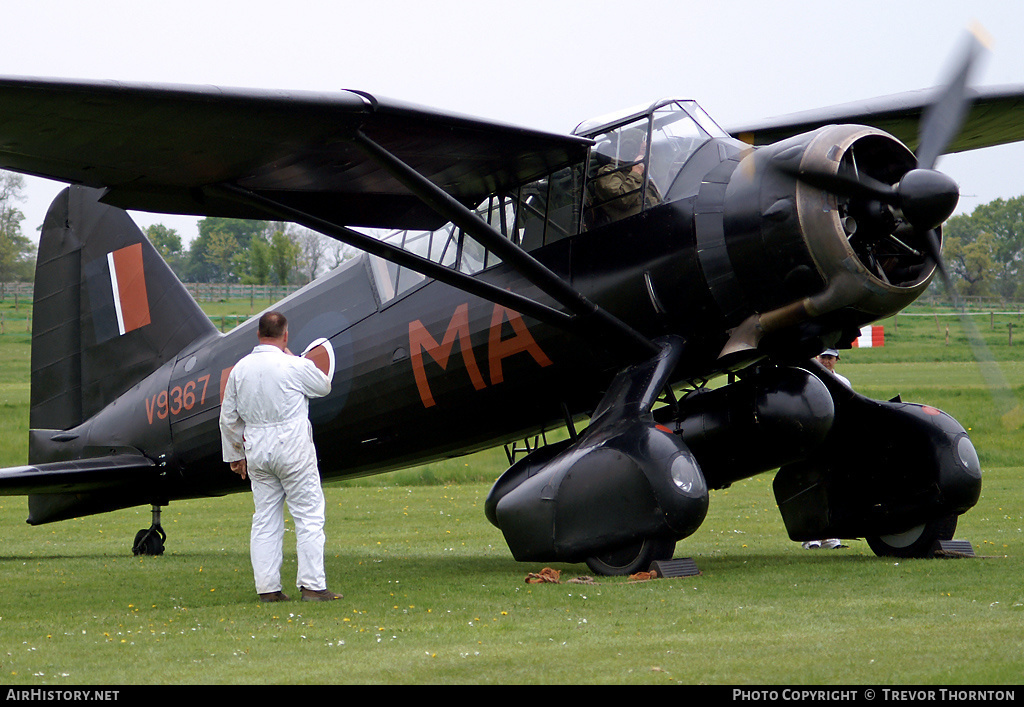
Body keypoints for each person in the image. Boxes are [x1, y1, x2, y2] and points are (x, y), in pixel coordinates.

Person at [219, 311, 341, 602]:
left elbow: (228, 418)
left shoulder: (240, 370)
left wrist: (236, 454)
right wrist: (295, 355)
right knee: (309, 514)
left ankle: (268, 589)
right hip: (293, 446)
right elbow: (323, 386)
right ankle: (312, 585)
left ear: (258, 334)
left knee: (265, 519)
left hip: (257, 448)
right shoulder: (293, 364)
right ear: (285, 335)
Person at [802, 348, 850, 550]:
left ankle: (832, 539)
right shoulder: (806, 380)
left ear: (836, 360)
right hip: (812, 439)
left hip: (833, 439)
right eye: (822, 357)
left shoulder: (844, 382)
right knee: (811, 486)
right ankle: (811, 538)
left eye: (830, 358)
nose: (826, 361)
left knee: (833, 487)